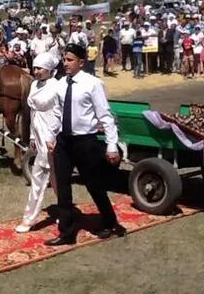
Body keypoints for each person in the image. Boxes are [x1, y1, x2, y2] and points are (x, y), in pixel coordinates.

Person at [44, 43, 125, 246]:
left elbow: (105, 116)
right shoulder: (61, 83)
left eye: (70, 60)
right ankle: (67, 232)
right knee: (62, 185)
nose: (66, 63)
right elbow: (57, 113)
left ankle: (110, 222)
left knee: (94, 185)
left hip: (85, 142)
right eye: (64, 59)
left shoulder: (93, 84)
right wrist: (52, 137)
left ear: (81, 62)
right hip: (64, 141)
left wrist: (112, 145)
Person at [16, 53, 60, 233]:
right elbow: (33, 114)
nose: (36, 71)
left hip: (52, 136)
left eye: (40, 68)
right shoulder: (34, 85)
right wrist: (33, 136)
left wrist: (54, 138)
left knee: (51, 178)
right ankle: (31, 217)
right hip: (39, 135)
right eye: (35, 68)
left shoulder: (57, 86)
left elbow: (59, 114)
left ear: (49, 70)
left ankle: (60, 212)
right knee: (44, 177)